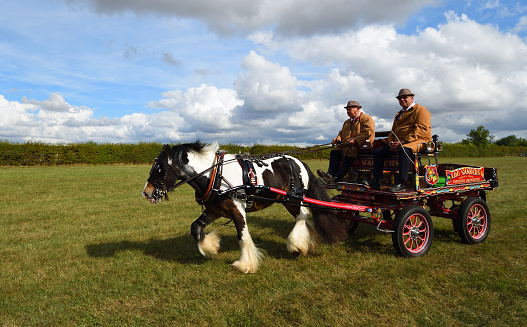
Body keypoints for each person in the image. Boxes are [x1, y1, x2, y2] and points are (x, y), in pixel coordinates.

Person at [366, 89, 431, 191]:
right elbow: (393, 131)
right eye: (399, 98)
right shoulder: (399, 114)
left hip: (418, 140)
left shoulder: (421, 110)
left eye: (404, 97)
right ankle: (376, 180)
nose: (402, 99)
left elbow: (421, 130)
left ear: (412, 98)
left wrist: (402, 142)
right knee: (378, 152)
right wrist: (391, 142)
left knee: (404, 150)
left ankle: (401, 183)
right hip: (399, 142)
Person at [318, 101, 375, 183]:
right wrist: (337, 139)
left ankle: (337, 177)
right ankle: (330, 174)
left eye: (350, 109)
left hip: (362, 145)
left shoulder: (366, 118)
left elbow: (368, 132)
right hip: (347, 145)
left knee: (350, 152)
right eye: (347, 110)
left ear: (358, 109)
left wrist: (356, 139)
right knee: (335, 151)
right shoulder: (347, 122)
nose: (348, 112)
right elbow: (341, 133)